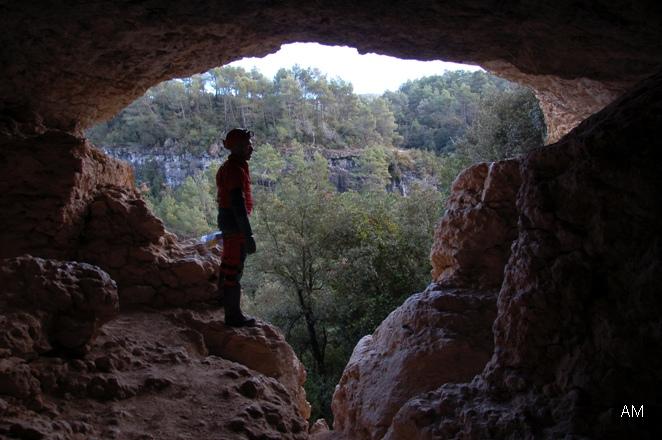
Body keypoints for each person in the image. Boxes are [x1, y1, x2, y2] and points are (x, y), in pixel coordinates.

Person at [216, 128, 257, 327]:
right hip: (234, 223)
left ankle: (222, 304)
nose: (252, 148)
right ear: (239, 147)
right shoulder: (234, 170)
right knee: (234, 268)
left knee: (228, 264)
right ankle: (233, 316)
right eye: (248, 145)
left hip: (228, 220)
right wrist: (247, 235)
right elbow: (237, 204)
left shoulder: (232, 167)